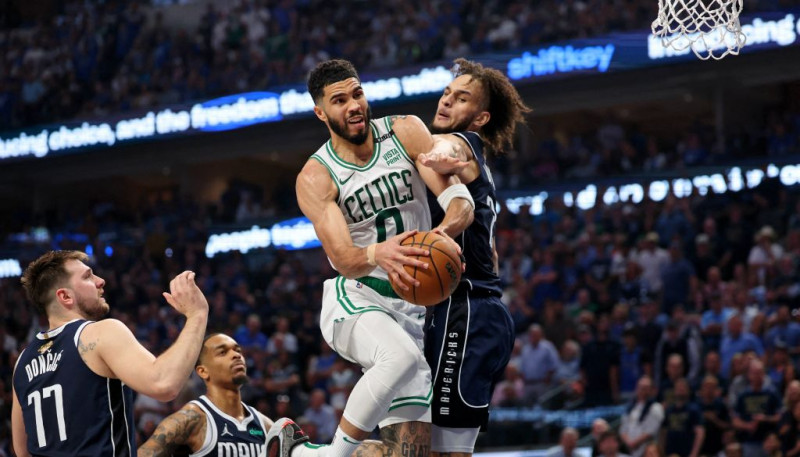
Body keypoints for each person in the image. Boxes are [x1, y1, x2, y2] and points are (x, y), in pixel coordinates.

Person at [271, 59, 475, 457]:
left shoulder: (404, 131)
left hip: (413, 310)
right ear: (320, 112)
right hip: (358, 297)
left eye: (357, 94)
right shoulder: (316, 176)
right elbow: (343, 258)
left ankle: (300, 453)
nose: (353, 105)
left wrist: (441, 234)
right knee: (398, 357)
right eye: (339, 100)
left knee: (409, 453)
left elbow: (460, 202)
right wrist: (378, 251)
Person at [420, 57, 529, 456]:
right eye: (447, 92)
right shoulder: (479, 162)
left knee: (446, 449)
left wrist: (439, 155)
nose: (447, 101)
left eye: (462, 98)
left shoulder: (462, 144)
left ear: (480, 118)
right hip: (472, 310)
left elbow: (448, 149)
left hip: (466, 309)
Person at [11, 250, 209, 456]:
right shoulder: (98, 334)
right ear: (65, 296)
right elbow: (163, 383)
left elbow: (22, 451)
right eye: (88, 277)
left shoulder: (22, 362)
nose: (100, 281)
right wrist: (197, 314)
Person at [138, 333, 275, 456]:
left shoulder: (266, 426)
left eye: (238, 350)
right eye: (223, 352)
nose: (236, 355)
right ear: (203, 371)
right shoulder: (189, 420)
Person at [620, 376, 664, 457]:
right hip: (629, 450)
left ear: (652, 390)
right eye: (640, 387)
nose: (642, 390)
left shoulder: (656, 407)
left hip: (646, 450)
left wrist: (634, 443)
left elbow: (650, 431)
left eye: (646, 388)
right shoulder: (630, 408)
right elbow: (623, 429)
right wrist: (628, 443)